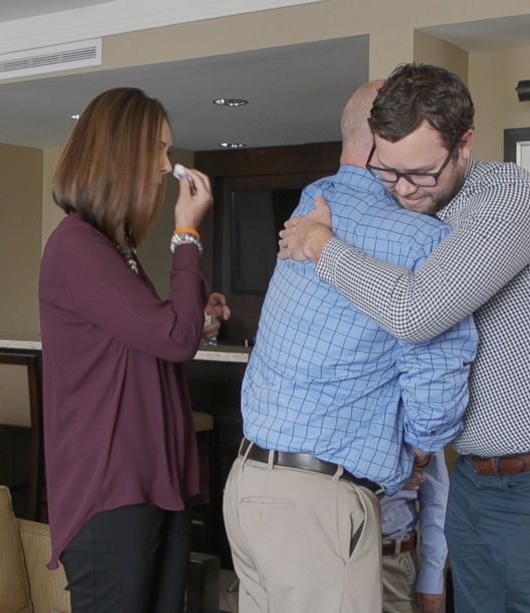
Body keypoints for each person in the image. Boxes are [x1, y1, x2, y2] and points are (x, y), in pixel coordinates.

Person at [279, 63, 530, 613]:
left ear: (464, 145)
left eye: (419, 173)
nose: (402, 190)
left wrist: (323, 245)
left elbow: (417, 311)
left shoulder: (510, 201)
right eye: (387, 173)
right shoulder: (413, 205)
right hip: (475, 479)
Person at [222, 80, 478, 613]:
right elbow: (435, 387)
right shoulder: (419, 239)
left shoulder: (311, 203)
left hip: (247, 487)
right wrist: (420, 448)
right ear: (383, 141)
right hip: (318, 504)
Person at [39, 87, 215, 613]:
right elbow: (173, 339)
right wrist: (186, 235)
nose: (166, 167)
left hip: (152, 480)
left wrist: (196, 319)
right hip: (110, 487)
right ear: (121, 154)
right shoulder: (76, 245)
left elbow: (160, 335)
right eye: (157, 150)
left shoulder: (114, 247)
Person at [379, 450, 447, 613]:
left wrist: (432, 574)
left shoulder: (421, 426)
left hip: (394, 562)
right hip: (335, 556)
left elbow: (436, 499)